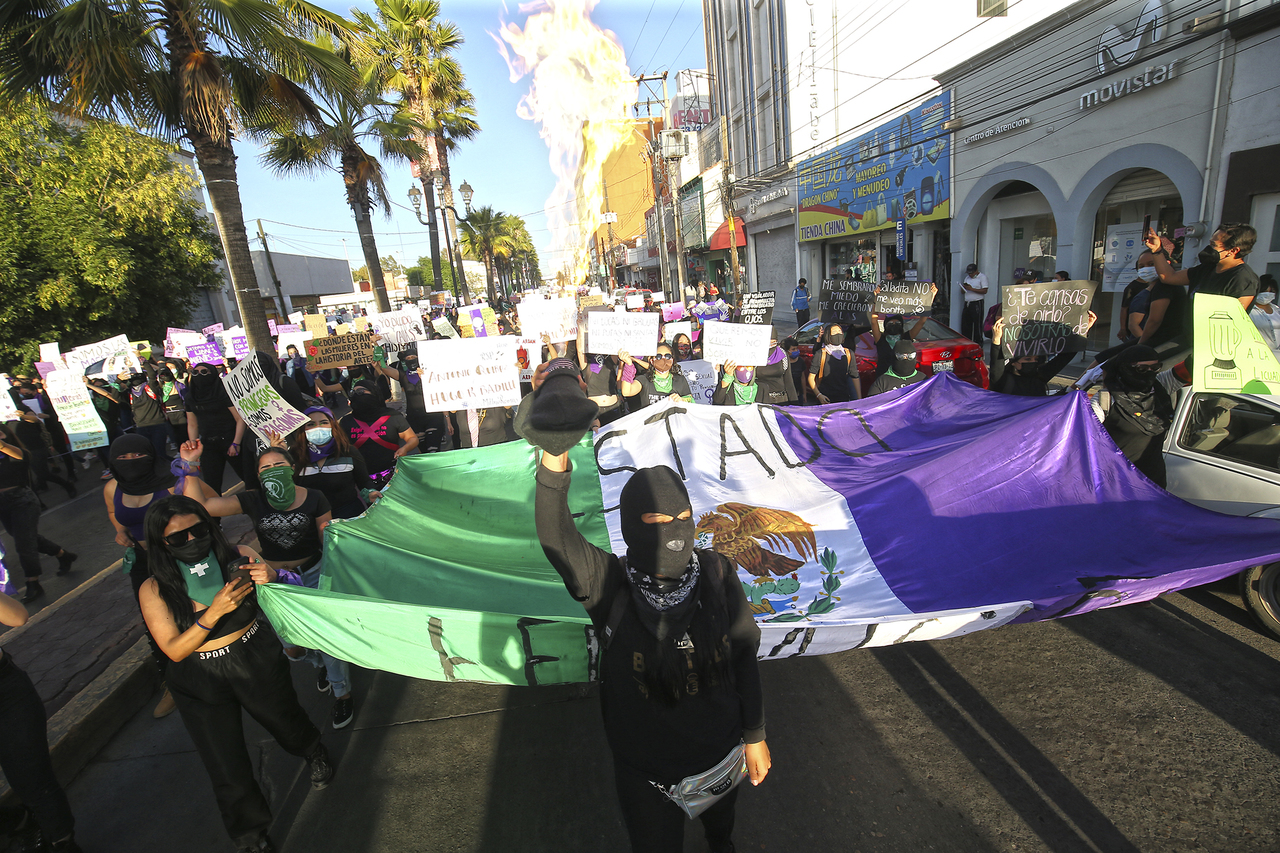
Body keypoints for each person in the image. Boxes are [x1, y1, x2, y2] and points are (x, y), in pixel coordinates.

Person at [534, 428, 769, 853]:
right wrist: (554, 458)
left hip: (721, 753)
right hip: (647, 774)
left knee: (722, 833)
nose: (674, 534)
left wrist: (755, 734)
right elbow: (557, 537)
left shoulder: (717, 573)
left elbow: (743, 654)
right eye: (657, 524)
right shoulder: (607, 583)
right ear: (630, 527)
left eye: (682, 520)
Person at [138, 495, 333, 853]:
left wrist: (272, 577)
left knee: (284, 719)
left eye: (198, 530)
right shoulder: (154, 588)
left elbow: (280, 599)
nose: (192, 541)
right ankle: (250, 836)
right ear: (161, 543)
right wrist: (212, 614)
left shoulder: (238, 554)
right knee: (224, 760)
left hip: (252, 654)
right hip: (198, 675)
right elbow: (175, 650)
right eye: (178, 538)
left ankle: (312, 749)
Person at [179, 442, 353, 730]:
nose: (272, 471)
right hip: (270, 581)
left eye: (279, 465)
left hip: (312, 575)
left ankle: (342, 692)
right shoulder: (254, 499)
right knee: (292, 648)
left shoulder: (315, 497)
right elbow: (200, 508)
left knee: (326, 638)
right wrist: (191, 466)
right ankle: (318, 663)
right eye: (265, 468)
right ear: (258, 476)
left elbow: (328, 540)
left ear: (293, 468)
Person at [104, 433, 197, 718]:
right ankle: (172, 683)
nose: (131, 462)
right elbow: (113, 511)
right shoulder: (112, 487)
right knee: (154, 622)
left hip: (178, 556)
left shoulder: (170, 481)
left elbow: (203, 506)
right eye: (123, 458)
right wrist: (121, 532)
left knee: (194, 609)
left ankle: (211, 669)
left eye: (137, 456)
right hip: (143, 562)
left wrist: (190, 469)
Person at [0, 579, 82, 852]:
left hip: (6, 691)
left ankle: (61, 841)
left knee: (33, 777)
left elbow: (17, 617)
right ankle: (20, 821)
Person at [1143, 223, 1259, 342]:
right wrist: (1157, 250)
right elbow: (1168, 277)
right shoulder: (1207, 268)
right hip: (1188, 338)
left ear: (1233, 250)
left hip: (1209, 345)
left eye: (1214, 245)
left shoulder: (1242, 278)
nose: (1208, 248)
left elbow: (1231, 321)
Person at [1090, 345, 1185, 488]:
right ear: (1126, 368)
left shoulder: (1161, 387)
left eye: (1155, 368)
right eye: (1142, 369)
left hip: (1153, 484)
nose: (1149, 373)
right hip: (1116, 484)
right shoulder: (1105, 400)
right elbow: (1083, 440)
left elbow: (1192, 366)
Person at [0, 424, 75, 603]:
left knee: (24, 543)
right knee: (27, 537)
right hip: (3, 505)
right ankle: (63, 555)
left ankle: (33, 583)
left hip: (22, 501)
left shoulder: (15, 453)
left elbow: (23, 456)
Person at [989, 313, 1098, 396]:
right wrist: (996, 340)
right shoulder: (1002, 380)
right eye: (1027, 359)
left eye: (1035, 359)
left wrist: (1083, 330)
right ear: (1013, 362)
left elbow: (1064, 358)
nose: (1033, 362)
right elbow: (996, 364)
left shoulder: (1039, 377)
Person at [339, 382, 417, 490]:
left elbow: (412, 438)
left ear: (374, 394)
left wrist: (405, 448)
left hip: (394, 476)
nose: (357, 395)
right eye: (354, 393)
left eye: (361, 392)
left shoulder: (392, 416)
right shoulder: (346, 421)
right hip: (363, 480)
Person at [184, 361, 246, 493]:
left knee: (248, 477)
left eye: (204, 372)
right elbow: (192, 423)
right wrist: (194, 445)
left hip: (229, 440)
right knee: (212, 485)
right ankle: (214, 513)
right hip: (208, 443)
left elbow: (239, 418)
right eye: (195, 372)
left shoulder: (223, 393)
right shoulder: (191, 397)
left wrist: (236, 443)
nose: (199, 375)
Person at [376, 346, 448, 454]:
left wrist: (447, 418)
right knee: (423, 452)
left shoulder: (429, 373)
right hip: (414, 418)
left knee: (433, 450)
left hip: (433, 416)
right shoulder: (403, 376)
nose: (411, 360)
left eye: (413, 357)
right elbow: (384, 368)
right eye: (408, 358)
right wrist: (377, 349)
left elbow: (440, 394)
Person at [619, 344, 693, 410]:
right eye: (658, 356)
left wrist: (681, 400)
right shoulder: (644, 379)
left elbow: (691, 401)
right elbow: (626, 392)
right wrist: (629, 365)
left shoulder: (680, 380)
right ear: (651, 360)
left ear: (672, 359)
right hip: (652, 424)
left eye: (667, 356)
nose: (663, 359)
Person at [808, 323, 860, 403]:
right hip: (826, 398)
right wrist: (819, 395)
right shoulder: (821, 354)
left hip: (843, 399)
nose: (838, 334)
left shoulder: (848, 353)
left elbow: (855, 376)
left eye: (840, 331)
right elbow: (811, 378)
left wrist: (859, 399)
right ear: (828, 335)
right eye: (835, 332)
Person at [869, 311, 927, 378]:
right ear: (885, 325)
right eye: (890, 323)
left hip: (904, 377)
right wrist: (875, 307)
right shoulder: (880, 339)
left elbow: (921, 322)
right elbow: (873, 322)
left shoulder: (906, 337)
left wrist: (927, 305)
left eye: (897, 323)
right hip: (884, 377)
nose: (894, 325)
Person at [753, 329, 797, 406]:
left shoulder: (782, 355)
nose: (770, 346)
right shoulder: (754, 356)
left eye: (773, 343)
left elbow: (789, 381)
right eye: (768, 343)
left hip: (781, 400)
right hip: (761, 400)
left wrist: (795, 404)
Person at [1248, 274, 1280, 361]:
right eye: (1264, 291)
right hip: (1257, 355)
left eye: (1271, 291)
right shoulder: (1249, 310)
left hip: (1276, 355)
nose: (1267, 294)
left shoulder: (1277, 310)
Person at [960, 263, 989, 342]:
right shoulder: (967, 278)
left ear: (976, 271)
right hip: (967, 302)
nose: (970, 275)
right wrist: (963, 287)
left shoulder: (982, 277)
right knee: (966, 324)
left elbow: (985, 290)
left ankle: (978, 342)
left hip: (977, 302)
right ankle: (967, 342)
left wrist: (972, 289)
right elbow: (962, 292)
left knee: (977, 324)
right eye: (969, 273)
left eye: (972, 273)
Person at [783, 336, 809, 405]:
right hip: (787, 395)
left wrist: (804, 394)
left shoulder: (800, 361)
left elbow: (802, 378)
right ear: (787, 351)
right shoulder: (783, 362)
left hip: (798, 393)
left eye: (796, 348)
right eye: (793, 349)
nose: (796, 351)